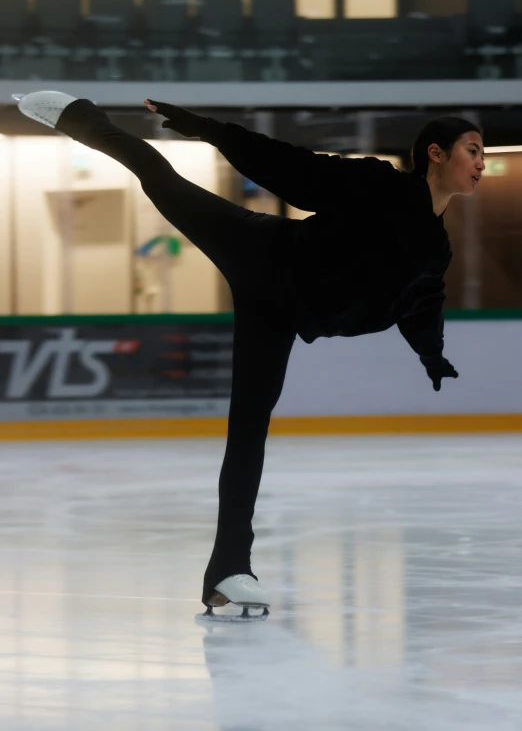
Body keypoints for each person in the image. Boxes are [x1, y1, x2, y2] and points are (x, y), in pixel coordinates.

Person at [14, 91, 485, 621]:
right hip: (258, 250)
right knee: (160, 176)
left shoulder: (436, 246)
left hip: (278, 314)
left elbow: (423, 301)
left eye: (484, 153)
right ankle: (79, 117)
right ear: (436, 154)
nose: (482, 163)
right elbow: (295, 168)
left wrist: (431, 354)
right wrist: (208, 129)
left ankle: (226, 572)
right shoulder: (381, 185)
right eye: (472, 149)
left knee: (248, 432)